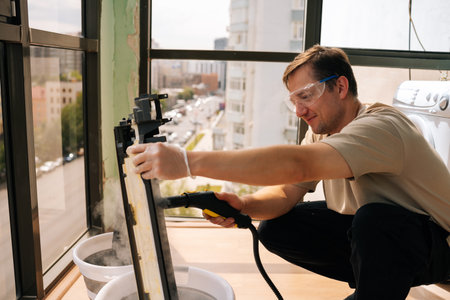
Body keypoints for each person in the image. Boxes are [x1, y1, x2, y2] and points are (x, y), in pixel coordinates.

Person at [127, 45, 450, 300]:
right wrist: (245, 205)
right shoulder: (322, 132)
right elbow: (285, 192)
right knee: (276, 227)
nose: (299, 111)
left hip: (438, 244)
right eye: (294, 101)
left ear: (340, 86)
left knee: (373, 222)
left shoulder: (382, 127)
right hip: (387, 236)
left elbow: (298, 163)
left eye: (306, 96)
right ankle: (374, 284)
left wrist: (187, 162)